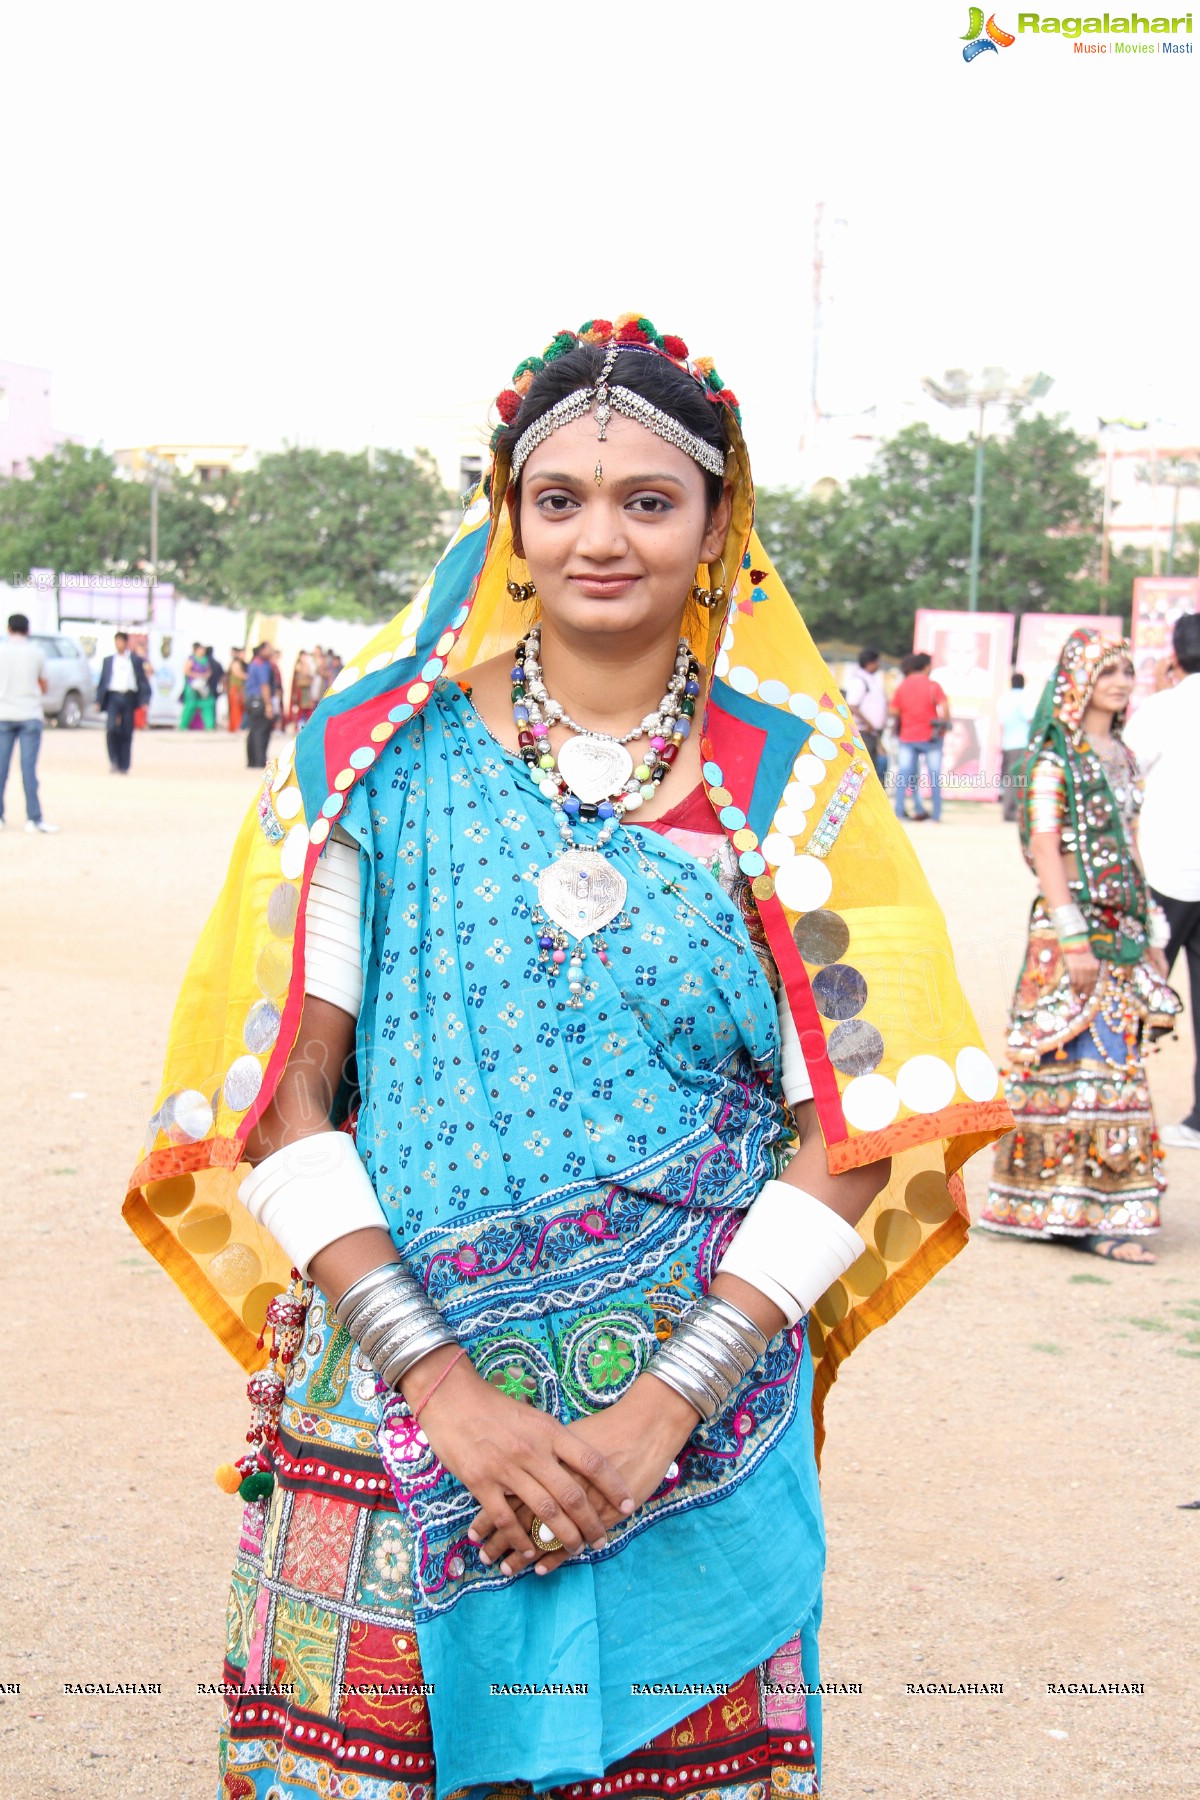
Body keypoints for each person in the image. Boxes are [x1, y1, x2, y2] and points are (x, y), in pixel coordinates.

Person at [123, 317, 1012, 1800]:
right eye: (562, 501)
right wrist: (449, 1393)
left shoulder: (794, 782)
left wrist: (664, 1404)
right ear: (511, 522)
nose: (603, 537)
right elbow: (282, 1101)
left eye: (649, 501)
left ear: (719, 522)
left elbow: (857, 1117)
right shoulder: (373, 756)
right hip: (399, 1409)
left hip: (690, 1431)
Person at [980, 628, 1181, 1261]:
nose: (1121, 681)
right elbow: (1046, 851)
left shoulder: (1120, 755)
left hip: (1121, 932)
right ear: (1077, 683)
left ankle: (1102, 1208)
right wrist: (1074, 939)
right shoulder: (1050, 762)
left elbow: (1127, 841)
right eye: (1107, 671)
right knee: (1068, 1065)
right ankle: (1051, 1206)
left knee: (1115, 1068)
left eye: (1126, 670)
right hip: (1071, 936)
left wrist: (1148, 929)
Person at [1124, 612, 1200, 1150]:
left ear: (1174, 657)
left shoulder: (1164, 708)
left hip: (1167, 873)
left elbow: (1123, 774)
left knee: (1134, 997)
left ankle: (1118, 1109)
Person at [0, 612, 57, 833]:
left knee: (1, 769)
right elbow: (44, 685)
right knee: (28, 769)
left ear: (8, 629)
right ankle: (33, 818)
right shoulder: (37, 653)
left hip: (3, 714)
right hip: (29, 714)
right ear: (27, 630)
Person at [890, 651, 948, 821]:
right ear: (927, 666)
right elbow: (945, 707)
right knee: (934, 776)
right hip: (931, 737)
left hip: (908, 737)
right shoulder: (933, 685)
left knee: (904, 775)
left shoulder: (903, 686)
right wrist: (943, 726)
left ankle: (899, 811)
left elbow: (893, 710)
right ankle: (936, 815)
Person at [96, 630, 152, 773]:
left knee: (127, 731)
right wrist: (98, 700)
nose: (118, 644)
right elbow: (103, 681)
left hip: (129, 697)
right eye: (116, 641)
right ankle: (113, 760)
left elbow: (142, 680)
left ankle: (124, 764)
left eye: (121, 641)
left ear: (126, 643)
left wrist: (145, 698)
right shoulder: (109, 660)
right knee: (111, 729)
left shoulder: (135, 660)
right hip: (113, 697)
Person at [843, 646, 887, 778]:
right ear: (870, 662)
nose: (879, 665)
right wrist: (868, 723)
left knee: (870, 768)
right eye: (877, 662)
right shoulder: (859, 681)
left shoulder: (870, 680)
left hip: (871, 732)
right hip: (863, 731)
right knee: (862, 769)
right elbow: (852, 705)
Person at [998, 670, 1035, 822]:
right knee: (1018, 779)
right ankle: (1011, 811)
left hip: (1007, 743)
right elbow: (1030, 718)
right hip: (1021, 743)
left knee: (1009, 778)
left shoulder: (1003, 699)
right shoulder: (1023, 698)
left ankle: (1008, 810)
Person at [243, 643, 276, 767]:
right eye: (269, 649)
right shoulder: (262, 665)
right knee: (261, 731)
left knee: (254, 730)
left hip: (251, 699)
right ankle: (259, 761)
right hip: (260, 700)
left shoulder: (254, 663)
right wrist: (268, 705)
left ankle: (252, 761)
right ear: (262, 650)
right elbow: (264, 685)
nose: (272, 651)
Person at [180, 644, 216, 730]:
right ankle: (183, 726)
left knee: (208, 704)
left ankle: (209, 726)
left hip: (203, 685)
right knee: (190, 706)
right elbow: (186, 671)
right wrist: (197, 675)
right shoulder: (191, 660)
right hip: (192, 686)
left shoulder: (205, 660)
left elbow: (209, 671)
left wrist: (205, 676)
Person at [288, 648, 318, 730]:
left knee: (308, 708)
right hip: (300, 690)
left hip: (307, 690)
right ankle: (298, 726)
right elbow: (304, 674)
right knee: (301, 709)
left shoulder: (307, 664)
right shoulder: (299, 665)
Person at [226, 648, 248, 733]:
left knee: (241, 708)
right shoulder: (236, 663)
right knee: (236, 708)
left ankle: (239, 725)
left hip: (240, 688)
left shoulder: (243, 664)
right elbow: (238, 674)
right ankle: (236, 726)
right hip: (236, 688)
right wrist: (249, 676)